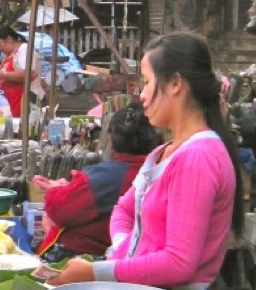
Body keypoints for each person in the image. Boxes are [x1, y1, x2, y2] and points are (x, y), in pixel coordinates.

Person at [49, 32, 244, 290]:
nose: (142, 96)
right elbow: (123, 211)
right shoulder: (165, 153)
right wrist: (126, 248)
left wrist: (97, 271)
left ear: (176, 85)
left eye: (147, 81)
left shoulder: (198, 157)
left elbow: (179, 263)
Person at [33, 104, 162, 262]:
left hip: (90, 259)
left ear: (112, 140)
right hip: (133, 259)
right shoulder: (161, 170)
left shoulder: (107, 176)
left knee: (48, 219)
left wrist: (58, 189)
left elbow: (58, 209)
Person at [0, 25, 43, 118]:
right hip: (12, 102)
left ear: (8, 39)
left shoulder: (25, 50)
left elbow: (28, 75)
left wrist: (2, 74)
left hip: (27, 100)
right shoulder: (11, 54)